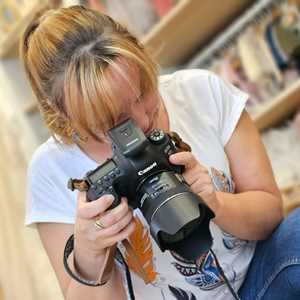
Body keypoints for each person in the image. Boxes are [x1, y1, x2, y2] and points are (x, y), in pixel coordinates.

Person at [21, 5, 300, 300]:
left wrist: (216, 202)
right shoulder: (51, 169)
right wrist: (91, 252)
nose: (142, 120)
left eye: (143, 90)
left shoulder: (199, 90)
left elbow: (270, 214)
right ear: (67, 122)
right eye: (115, 121)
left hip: (259, 279)